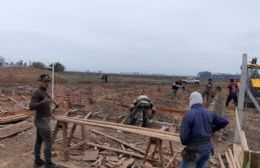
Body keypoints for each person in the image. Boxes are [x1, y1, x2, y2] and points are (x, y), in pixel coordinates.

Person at [179, 91, 229, 168]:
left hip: (194, 151)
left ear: (191, 100)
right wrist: (212, 129)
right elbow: (224, 121)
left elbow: (184, 139)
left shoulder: (189, 114)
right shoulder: (209, 113)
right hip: (207, 150)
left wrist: (188, 142)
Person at [30, 74, 58, 168]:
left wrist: (51, 114)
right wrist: (42, 102)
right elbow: (31, 106)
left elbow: (47, 104)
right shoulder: (37, 92)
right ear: (40, 82)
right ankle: (48, 164)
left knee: (39, 141)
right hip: (41, 121)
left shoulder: (44, 92)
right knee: (48, 142)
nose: (46, 84)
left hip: (42, 119)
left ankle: (37, 161)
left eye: (47, 82)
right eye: (44, 82)